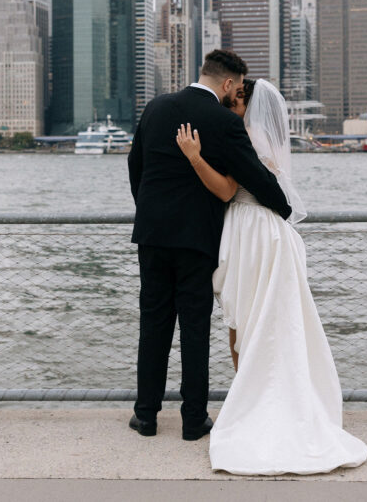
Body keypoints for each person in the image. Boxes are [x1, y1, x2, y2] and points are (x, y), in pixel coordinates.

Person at [175, 78, 367, 475]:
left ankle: (251, 402)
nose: (231, 105)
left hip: (250, 231)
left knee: (243, 323)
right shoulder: (265, 136)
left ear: (246, 101)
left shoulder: (242, 134)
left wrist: (195, 157)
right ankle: (265, 399)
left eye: (237, 100)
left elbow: (230, 188)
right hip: (272, 235)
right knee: (270, 324)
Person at [128, 50, 292, 441]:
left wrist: (150, 211)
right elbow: (255, 176)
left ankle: (146, 416)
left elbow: (136, 165)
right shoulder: (222, 121)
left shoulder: (155, 108)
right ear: (229, 84)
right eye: (236, 87)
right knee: (194, 328)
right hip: (197, 238)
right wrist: (283, 208)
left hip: (152, 235)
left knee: (153, 324)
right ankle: (192, 420)